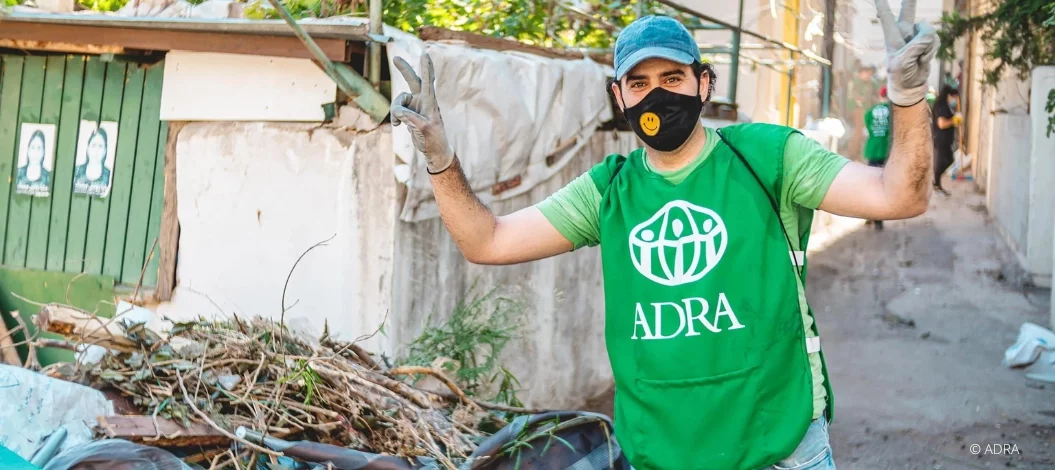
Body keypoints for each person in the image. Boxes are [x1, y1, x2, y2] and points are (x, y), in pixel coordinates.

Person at [389, 0, 937, 467]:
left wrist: (908, 97)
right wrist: (440, 158)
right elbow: (486, 242)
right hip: (662, 456)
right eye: (640, 83)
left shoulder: (769, 158)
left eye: (672, 79)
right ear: (620, 96)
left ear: (704, 83)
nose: (657, 97)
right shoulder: (608, 191)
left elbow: (900, 196)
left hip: (782, 450)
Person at [863, 87, 892, 230]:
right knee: (882, 185)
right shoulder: (892, 112)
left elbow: (867, 123)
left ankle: (870, 214)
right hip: (885, 151)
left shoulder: (871, 111)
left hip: (872, 149)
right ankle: (878, 219)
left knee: (872, 183)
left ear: (880, 96)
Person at [931, 85, 961, 195]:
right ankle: (936, 183)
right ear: (949, 95)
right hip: (941, 139)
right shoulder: (942, 106)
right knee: (943, 162)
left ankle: (937, 183)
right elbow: (942, 124)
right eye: (954, 97)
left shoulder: (943, 105)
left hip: (945, 139)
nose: (955, 100)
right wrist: (954, 120)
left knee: (949, 160)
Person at [74, 127, 112, 197]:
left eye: (100, 146)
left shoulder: (110, 175)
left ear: (105, 151)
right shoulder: (76, 171)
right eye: (93, 145)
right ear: (88, 148)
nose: (96, 150)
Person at [16, 130, 51, 196]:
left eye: (39, 148)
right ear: (28, 150)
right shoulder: (18, 173)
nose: (35, 152)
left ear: (43, 152)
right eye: (33, 147)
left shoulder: (48, 177)